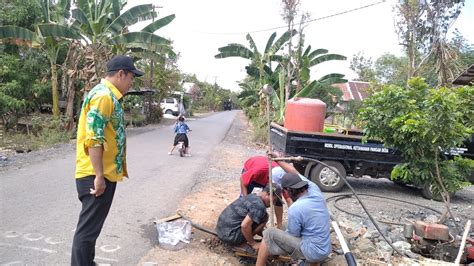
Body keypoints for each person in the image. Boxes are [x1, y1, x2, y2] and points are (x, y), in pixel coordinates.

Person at [71, 55, 144, 265]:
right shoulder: (104, 96)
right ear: (121, 74)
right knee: (87, 231)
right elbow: (93, 139)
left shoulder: (106, 95)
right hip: (96, 175)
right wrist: (99, 176)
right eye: (131, 77)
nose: (131, 83)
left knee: (91, 230)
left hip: (100, 173)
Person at [256, 172, 332, 265]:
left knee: (269, 233)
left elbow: (294, 234)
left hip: (313, 252)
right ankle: (314, 263)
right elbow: (294, 171)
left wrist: (277, 242)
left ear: (289, 190)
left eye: (286, 191)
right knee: (284, 226)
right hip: (325, 249)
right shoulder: (316, 192)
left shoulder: (296, 208)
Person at [215, 184, 282, 254]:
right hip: (229, 236)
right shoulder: (259, 206)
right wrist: (253, 244)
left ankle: (241, 239)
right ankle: (240, 244)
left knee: (263, 216)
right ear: (268, 194)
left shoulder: (252, 196)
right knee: (264, 217)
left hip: (220, 230)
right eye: (274, 200)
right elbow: (245, 226)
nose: (273, 204)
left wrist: (268, 236)